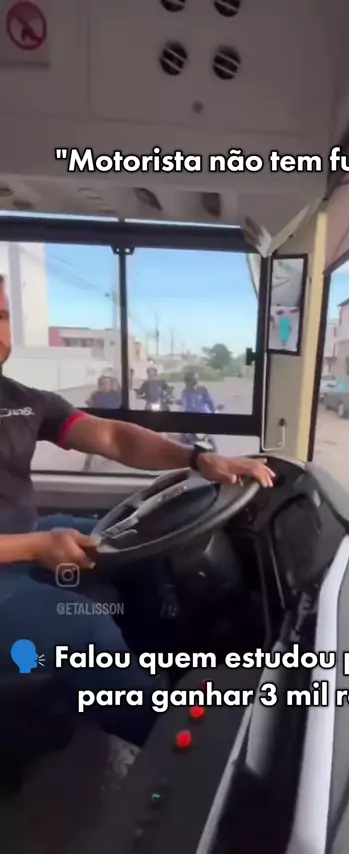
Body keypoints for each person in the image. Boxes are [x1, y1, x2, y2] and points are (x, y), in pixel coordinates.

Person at [0, 275, 274, 747]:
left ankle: (158, 673)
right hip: (15, 556)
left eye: (2, 316)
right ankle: (180, 747)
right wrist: (36, 546)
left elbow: (113, 437)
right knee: (86, 632)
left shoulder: (20, 400)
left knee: (134, 550)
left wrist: (197, 459)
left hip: (26, 539)